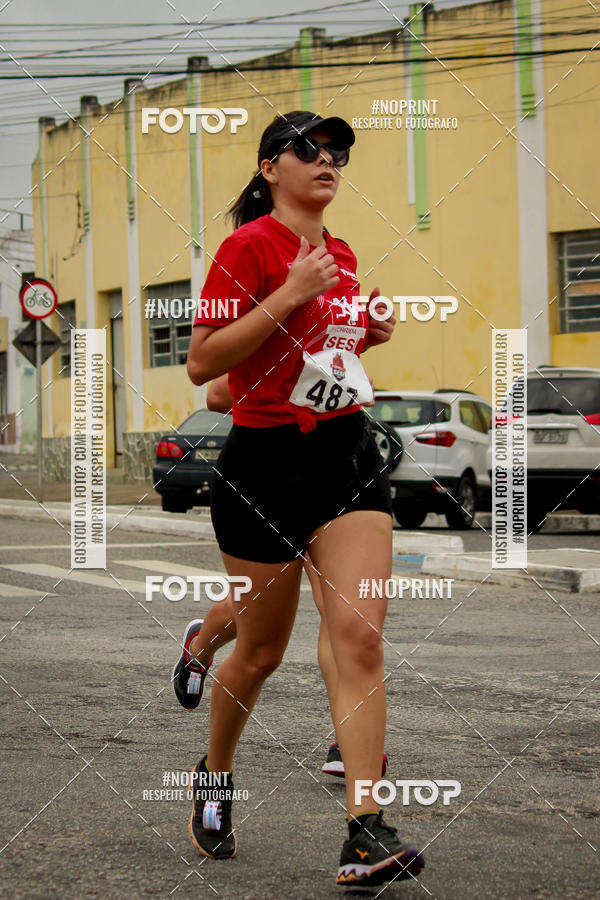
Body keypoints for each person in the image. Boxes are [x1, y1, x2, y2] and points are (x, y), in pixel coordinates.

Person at [183, 109, 424, 887]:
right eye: (309, 149)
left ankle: (365, 830)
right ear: (269, 168)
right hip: (265, 471)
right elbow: (203, 364)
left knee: (358, 637)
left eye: (339, 150)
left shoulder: (343, 253)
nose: (329, 159)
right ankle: (215, 774)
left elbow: (322, 354)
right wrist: (288, 294)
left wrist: (366, 333)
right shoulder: (247, 249)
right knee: (259, 652)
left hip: (347, 455)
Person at [172, 373, 388, 780]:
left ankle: (346, 742)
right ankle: (200, 647)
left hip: (339, 475)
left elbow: (359, 380)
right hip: (267, 478)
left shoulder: (333, 310)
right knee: (259, 623)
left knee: (343, 618)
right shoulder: (261, 312)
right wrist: (293, 384)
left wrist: (346, 383)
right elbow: (217, 392)